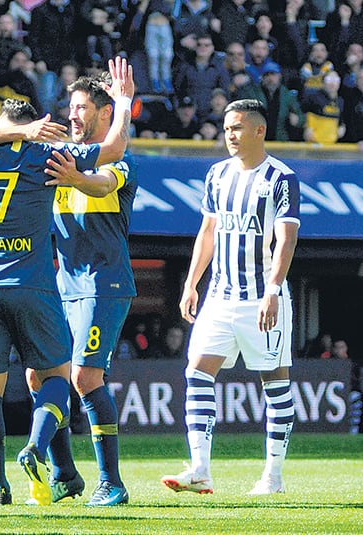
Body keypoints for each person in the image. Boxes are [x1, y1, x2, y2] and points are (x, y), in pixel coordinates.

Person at [0, 56, 134, 509]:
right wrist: (126, 102)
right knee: (49, 376)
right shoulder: (48, 157)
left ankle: (4, 484)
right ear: (38, 122)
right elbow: (113, 148)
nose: (72, 116)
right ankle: (56, 465)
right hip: (41, 287)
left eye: (80, 108)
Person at [162, 98, 299, 496]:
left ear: (260, 130)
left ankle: (273, 476)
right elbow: (208, 230)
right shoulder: (217, 175)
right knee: (197, 372)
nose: (231, 135)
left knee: (274, 384)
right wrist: (191, 283)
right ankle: (201, 468)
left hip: (262, 298)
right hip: (220, 296)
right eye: (226, 129)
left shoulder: (280, 177)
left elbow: (286, 239)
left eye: (238, 127)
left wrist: (273, 291)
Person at [24, 69, 138, 507]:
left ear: (104, 112)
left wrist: (75, 178)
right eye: (69, 107)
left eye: (82, 108)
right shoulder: (58, 157)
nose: (73, 115)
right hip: (63, 285)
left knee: (85, 375)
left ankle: (112, 482)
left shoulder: (116, 162)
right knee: (40, 375)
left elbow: (101, 183)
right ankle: (65, 474)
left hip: (103, 283)